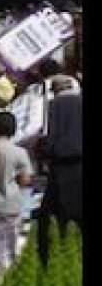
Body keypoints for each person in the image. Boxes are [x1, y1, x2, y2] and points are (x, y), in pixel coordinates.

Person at [35, 74, 82, 263]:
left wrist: (43, 151)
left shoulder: (54, 106)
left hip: (61, 170)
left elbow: (50, 139)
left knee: (57, 221)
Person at [0, 110, 35, 276]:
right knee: (9, 245)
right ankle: (7, 278)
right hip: (11, 203)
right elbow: (26, 179)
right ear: (13, 130)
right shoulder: (19, 152)